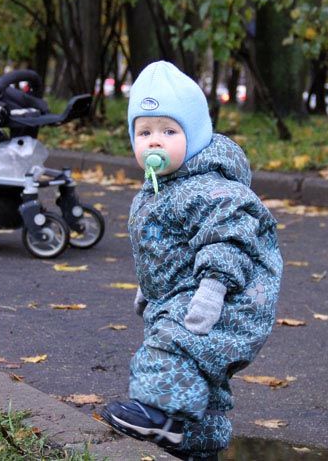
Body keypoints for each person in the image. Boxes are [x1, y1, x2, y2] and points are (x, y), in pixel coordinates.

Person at [99, 60, 282, 460]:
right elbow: (166, 247)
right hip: (185, 290)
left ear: (195, 135)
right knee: (202, 371)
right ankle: (197, 442)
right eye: (143, 132)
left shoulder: (211, 190)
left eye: (169, 131)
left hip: (230, 294)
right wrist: (148, 288)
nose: (154, 142)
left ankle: (158, 413)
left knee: (174, 344)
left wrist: (214, 289)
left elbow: (229, 238)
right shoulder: (158, 190)